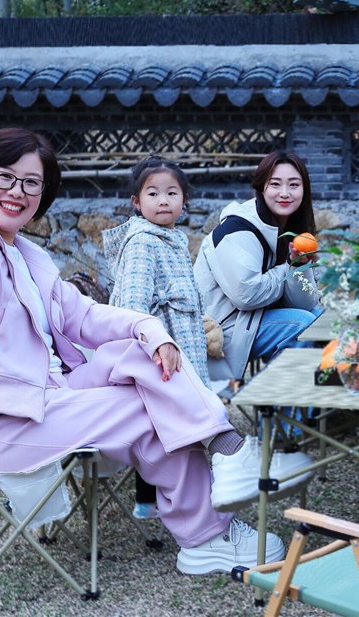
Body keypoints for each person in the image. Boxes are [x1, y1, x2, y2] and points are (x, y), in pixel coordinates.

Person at [0, 128, 310, 575]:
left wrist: (151, 330)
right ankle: (208, 529)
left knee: (141, 354)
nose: (17, 191)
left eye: (31, 182)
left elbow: (85, 316)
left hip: (51, 396)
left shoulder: (30, 256)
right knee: (147, 406)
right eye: (5, 177)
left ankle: (226, 458)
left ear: (43, 193)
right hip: (1, 422)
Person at [102, 156, 227, 520]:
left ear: (184, 201)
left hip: (182, 342)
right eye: (153, 193)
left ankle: (179, 497)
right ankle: (157, 499)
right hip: (159, 351)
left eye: (172, 193)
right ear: (136, 202)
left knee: (177, 423)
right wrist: (152, 343)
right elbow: (133, 305)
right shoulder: (142, 242)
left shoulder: (173, 239)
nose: (163, 201)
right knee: (164, 423)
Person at [194, 150, 322, 385]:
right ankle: (280, 402)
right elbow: (247, 295)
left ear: (304, 190)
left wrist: (299, 266)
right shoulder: (236, 230)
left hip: (252, 322)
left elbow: (305, 303)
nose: (285, 193)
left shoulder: (289, 229)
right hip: (220, 332)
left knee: (319, 319)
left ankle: (312, 399)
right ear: (262, 187)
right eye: (275, 184)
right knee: (304, 324)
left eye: (294, 185)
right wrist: (287, 267)